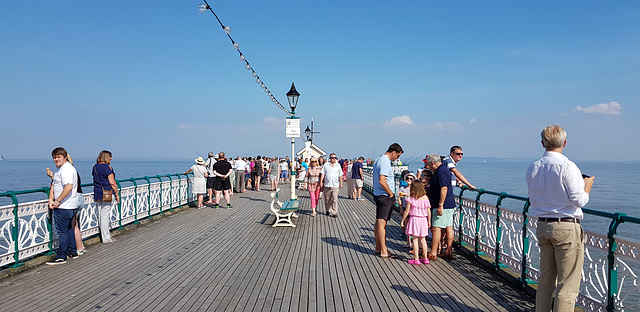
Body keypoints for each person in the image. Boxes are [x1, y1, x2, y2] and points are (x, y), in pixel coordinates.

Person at [526, 125, 594, 312]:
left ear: (543, 144)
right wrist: (587, 185)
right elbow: (579, 200)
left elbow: (533, 197)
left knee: (546, 279)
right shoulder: (567, 166)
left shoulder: (534, 167)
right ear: (564, 142)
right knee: (567, 284)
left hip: (543, 225)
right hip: (565, 227)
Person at [46, 147, 80, 265]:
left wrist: (57, 201)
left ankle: (61, 255)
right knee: (69, 229)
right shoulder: (66, 169)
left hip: (64, 206)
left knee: (62, 231)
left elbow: (68, 186)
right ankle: (72, 251)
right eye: (54, 158)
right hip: (70, 205)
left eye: (58, 157)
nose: (56, 160)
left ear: (65, 157)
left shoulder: (66, 169)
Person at [373, 143, 403, 259]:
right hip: (385, 195)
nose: (397, 159)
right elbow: (382, 180)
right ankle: (384, 250)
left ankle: (378, 247)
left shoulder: (378, 159)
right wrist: (391, 193)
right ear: (394, 152)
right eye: (397, 156)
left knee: (378, 222)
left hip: (378, 194)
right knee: (382, 224)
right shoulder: (385, 161)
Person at [425, 153, 456, 260]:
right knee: (448, 226)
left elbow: (444, 188)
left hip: (443, 204)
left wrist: (440, 205)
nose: (428, 166)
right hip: (449, 204)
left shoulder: (441, 171)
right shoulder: (443, 169)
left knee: (436, 227)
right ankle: (447, 251)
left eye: (428, 164)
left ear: (432, 163)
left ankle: (433, 253)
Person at [400, 180, 431, 265]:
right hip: (423, 219)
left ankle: (416, 258)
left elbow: (407, 211)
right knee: (423, 239)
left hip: (414, 219)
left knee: (415, 239)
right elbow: (428, 211)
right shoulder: (425, 198)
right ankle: (425, 258)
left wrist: (403, 220)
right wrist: (429, 221)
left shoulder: (411, 199)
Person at [92, 150, 120, 244]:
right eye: (110, 156)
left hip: (98, 193)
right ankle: (106, 238)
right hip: (107, 193)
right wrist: (117, 194)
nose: (111, 158)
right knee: (105, 215)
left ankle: (103, 235)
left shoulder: (94, 167)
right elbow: (112, 182)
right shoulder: (107, 167)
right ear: (106, 157)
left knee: (100, 214)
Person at [320, 153, 343, 218]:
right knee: (327, 200)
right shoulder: (326, 165)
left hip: (335, 185)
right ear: (330, 158)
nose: (334, 159)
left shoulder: (338, 165)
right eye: (332, 158)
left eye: (335, 158)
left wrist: (341, 183)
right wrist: (321, 182)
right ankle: (327, 209)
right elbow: (322, 174)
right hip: (327, 185)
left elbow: (340, 175)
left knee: (334, 199)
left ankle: (334, 212)